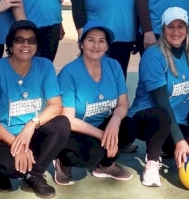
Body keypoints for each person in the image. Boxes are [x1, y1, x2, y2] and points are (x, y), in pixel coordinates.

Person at [0, 21, 72, 199]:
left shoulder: (44, 66)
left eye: (31, 41)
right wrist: (17, 146)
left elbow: (55, 105)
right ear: (10, 44)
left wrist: (31, 125)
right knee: (9, 167)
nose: (25, 45)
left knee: (62, 124)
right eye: (19, 40)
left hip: (31, 133)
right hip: (5, 136)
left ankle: (34, 175)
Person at [52, 21, 138, 185]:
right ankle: (63, 161)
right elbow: (68, 119)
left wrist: (115, 121)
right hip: (76, 130)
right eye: (91, 40)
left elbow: (123, 104)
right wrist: (103, 135)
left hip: (103, 123)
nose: (96, 45)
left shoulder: (113, 66)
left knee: (129, 127)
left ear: (107, 46)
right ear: (82, 43)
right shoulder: (69, 73)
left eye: (101, 41)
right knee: (91, 154)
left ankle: (106, 165)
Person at [128, 7, 189, 187]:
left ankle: (165, 147)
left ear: (187, 29)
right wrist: (179, 140)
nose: (176, 32)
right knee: (161, 116)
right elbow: (162, 103)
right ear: (163, 29)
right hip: (146, 118)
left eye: (180, 26)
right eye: (171, 27)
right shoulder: (153, 56)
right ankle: (152, 162)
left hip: (175, 121)